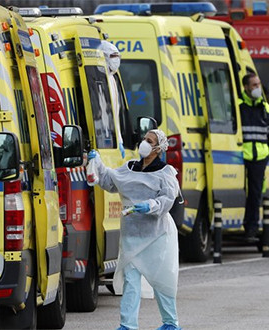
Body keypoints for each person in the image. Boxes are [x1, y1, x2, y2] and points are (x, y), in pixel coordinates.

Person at [87, 129, 181, 330]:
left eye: (150, 140)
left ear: (158, 148)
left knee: (162, 279)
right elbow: (109, 181)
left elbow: (167, 199)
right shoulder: (130, 168)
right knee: (131, 280)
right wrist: (97, 163)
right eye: (144, 139)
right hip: (131, 236)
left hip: (157, 235)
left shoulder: (165, 173)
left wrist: (151, 205)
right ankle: (128, 324)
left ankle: (170, 322)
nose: (144, 143)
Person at [239, 72, 269, 242]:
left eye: (258, 84)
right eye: (254, 85)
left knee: (255, 194)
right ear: (246, 87)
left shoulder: (265, 108)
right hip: (240, 157)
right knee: (241, 191)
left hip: (260, 158)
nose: (257, 88)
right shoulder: (239, 107)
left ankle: (251, 228)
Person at [100, 40, 125, 158]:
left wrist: (119, 140)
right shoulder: (100, 79)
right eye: (113, 56)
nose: (116, 60)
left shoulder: (112, 78)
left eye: (118, 56)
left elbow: (115, 114)